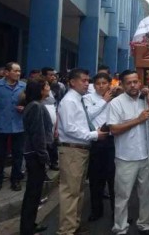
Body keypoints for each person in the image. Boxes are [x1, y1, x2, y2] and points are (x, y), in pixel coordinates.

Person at [108, 70, 149, 235]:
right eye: (129, 83)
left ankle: (145, 224)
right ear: (123, 85)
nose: (133, 85)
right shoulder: (116, 103)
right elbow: (114, 129)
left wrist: (148, 98)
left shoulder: (147, 99)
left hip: (148, 153)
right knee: (122, 195)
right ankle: (120, 227)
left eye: (135, 82)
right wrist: (137, 120)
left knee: (148, 192)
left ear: (139, 82)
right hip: (126, 157)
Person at [57, 68, 108, 235]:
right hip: (72, 150)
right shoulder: (69, 101)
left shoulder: (78, 100)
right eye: (83, 81)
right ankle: (66, 230)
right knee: (70, 192)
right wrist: (94, 134)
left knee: (77, 191)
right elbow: (70, 128)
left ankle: (74, 225)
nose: (88, 84)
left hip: (80, 149)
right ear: (72, 82)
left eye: (88, 81)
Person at [0, 62, 26, 192]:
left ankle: (16, 180)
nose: (18, 73)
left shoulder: (23, 86)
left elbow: (30, 103)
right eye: (15, 71)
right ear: (6, 73)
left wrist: (24, 108)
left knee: (18, 155)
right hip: (1, 125)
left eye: (19, 71)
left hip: (19, 126)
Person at [19, 78, 53, 235]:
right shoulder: (36, 107)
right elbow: (38, 135)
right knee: (33, 194)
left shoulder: (35, 105)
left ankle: (30, 224)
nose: (48, 87)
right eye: (46, 85)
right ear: (40, 90)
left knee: (34, 193)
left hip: (34, 153)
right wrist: (44, 156)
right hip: (35, 155)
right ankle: (27, 228)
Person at [83, 73, 116, 222]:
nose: (101, 86)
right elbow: (87, 116)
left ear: (109, 83)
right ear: (93, 85)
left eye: (104, 83)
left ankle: (118, 213)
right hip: (96, 140)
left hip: (113, 140)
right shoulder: (87, 98)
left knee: (115, 179)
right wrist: (103, 101)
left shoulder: (116, 98)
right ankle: (96, 211)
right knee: (96, 179)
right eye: (98, 83)